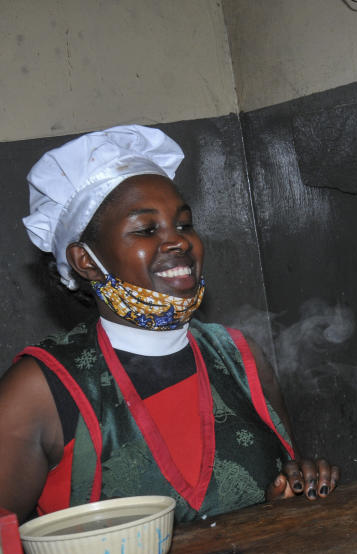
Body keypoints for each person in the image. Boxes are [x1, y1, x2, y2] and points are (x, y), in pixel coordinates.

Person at [0, 125, 339, 524]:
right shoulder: (40, 389)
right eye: (147, 229)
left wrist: (290, 496)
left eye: (184, 224)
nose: (178, 241)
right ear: (86, 261)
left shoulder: (239, 357)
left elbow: (280, 498)